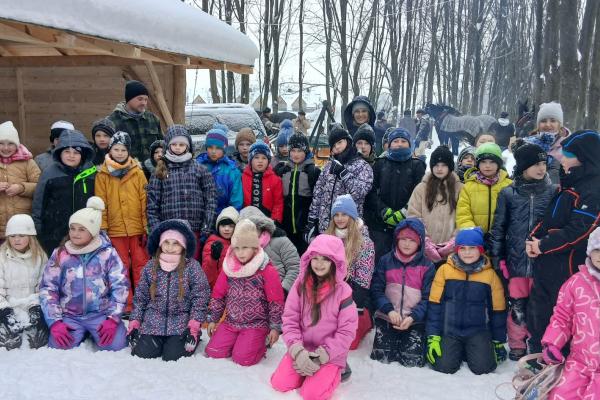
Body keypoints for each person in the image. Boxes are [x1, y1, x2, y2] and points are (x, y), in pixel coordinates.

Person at [526, 130, 600, 355]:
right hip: (546, 263)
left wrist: (543, 245)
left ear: (584, 158)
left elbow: (580, 230)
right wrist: (533, 238)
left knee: (562, 314)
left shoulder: (593, 189)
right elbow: (548, 218)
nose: (562, 159)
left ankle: (561, 358)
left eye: (567, 154)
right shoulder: (570, 181)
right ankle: (538, 354)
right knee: (539, 310)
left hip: (568, 267)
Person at [488, 141, 555, 361]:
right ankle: (517, 343)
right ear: (524, 166)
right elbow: (498, 228)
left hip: (542, 262)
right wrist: (498, 259)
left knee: (539, 305)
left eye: (544, 164)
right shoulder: (509, 193)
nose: (541, 168)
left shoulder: (553, 192)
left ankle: (536, 343)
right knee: (517, 305)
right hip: (516, 262)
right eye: (536, 164)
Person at [270, 234, 358, 400]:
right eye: (315, 258)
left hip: (329, 353)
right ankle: (305, 368)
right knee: (279, 384)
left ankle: (338, 370)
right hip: (302, 348)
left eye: (325, 259)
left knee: (311, 394)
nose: (319, 264)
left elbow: (346, 332)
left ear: (335, 262)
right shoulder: (299, 285)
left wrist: (322, 356)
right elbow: (290, 320)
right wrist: (297, 351)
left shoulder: (344, 292)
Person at [39, 197, 129, 351]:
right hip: (70, 316)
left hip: (101, 314)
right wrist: (55, 321)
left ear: (93, 232)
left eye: (82, 229)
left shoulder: (108, 254)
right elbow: (48, 288)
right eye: (72, 228)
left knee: (116, 346)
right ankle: (81, 332)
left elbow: (121, 286)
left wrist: (113, 318)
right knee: (58, 347)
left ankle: (94, 332)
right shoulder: (60, 254)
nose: (75, 233)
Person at [427, 227, 507, 375]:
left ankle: (470, 349)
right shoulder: (444, 271)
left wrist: (498, 340)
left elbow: (497, 310)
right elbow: (434, 305)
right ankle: (458, 349)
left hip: (477, 330)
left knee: (484, 368)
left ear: (481, 250)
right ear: (456, 250)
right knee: (444, 366)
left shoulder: (490, 275)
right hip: (449, 330)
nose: (467, 252)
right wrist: (433, 336)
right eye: (462, 248)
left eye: (472, 248)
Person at [128, 219, 210, 361]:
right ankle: (156, 341)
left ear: (183, 245)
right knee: (143, 353)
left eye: (175, 243)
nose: (170, 247)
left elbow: (200, 296)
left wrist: (193, 326)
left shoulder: (192, 267)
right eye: (166, 242)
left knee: (173, 356)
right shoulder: (151, 266)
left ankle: (185, 339)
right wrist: (134, 323)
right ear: (160, 243)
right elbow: (141, 297)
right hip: (153, 322)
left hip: (181, 322)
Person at [205, 219, 284, 366]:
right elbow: (218, 295)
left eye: (245, 247)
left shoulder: (266, 270)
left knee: (243, 358)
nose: (240, 253)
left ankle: (260, 343)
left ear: (254, 247)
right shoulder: (229, 268)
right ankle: (238, 341)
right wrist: (213, 319)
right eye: (237, 248)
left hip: (256, 323)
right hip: (232, 321)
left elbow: (275, 301)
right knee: (213, 351)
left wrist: (275, 327)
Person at [540, 227, 600, 399]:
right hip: (580, 363)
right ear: (590, 251)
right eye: (598, 250)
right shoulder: (576, 283)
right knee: (560, 394)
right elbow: (562, 317)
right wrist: (552, 344)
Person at [95, 131, 149, 313]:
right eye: (116, 149)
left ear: (129, 151)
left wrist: (146, 226)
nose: (119, 153)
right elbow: (101, 203)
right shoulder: (103, 174)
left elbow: (144, 200)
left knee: (141, 265)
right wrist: (103, 228)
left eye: (123, 150)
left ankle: (143, 303)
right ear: (110, 150)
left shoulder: (138, 172)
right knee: (121, 267)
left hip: (137, 229)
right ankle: (126, 304)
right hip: (115, 230)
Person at [370, 218, 435, 366]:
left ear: (419, 243)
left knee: (412, 361)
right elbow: (376, 290)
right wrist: (389, 311)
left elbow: (428, 298)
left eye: (412, 240)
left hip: (414, 320)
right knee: (381, 358)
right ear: (396, 240)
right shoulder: (385, 261)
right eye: (403, 239)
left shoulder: (427, 266)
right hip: (388, 317)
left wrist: (413, 317)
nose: (407, 244)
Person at [147, 125, 217, 260]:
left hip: (194, 229)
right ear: (168, 146)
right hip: (169, 233)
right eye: (174, 144)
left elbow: (211, 199)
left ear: (188, 146)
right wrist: (157, 229)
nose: (178, 147)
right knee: (171, 265)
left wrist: (207, 226)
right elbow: (152, 204)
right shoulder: (160, 171)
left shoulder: (200, 169)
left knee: (191, 265)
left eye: (181, 144)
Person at [364, 128, 425, 262]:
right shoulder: (380, 163)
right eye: (396, 141)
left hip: (408, 225)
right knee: (379, 261)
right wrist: (383, 210)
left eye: (403, 141)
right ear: (389, 144)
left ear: (409, 144)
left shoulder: (417, 165)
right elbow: (371, 192)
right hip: (380, 225)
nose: (399, 144)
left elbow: (420, 193)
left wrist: (404, 212)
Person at [32, 129, 97, 255]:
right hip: (54, 232)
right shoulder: (49, 173)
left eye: (76, 152)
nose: (71, 156)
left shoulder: (91, 173)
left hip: (83, 231)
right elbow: (39, 203)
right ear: (59, 152)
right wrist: (38, 229)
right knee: (57, 262)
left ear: (83, 155)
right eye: (67, 151)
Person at [325, 195, 374, 349]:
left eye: (344, 214)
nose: (340, 219)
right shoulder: (327, 237)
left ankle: (365, 319)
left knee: (348, 343)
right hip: (329, 292)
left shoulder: (364, 243)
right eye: (336, 215)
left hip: (352, 294)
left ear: (352, 216)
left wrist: (354, 307)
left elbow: (363, 279)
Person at [307, 124, 373, 236]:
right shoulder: (328, 166)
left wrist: (344, 174)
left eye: (340, 142)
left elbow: (360, 192)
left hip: (348, 228)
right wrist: (312, 220)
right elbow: (318, 193)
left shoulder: (362, 166)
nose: (337, 147)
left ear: (348, 141)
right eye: (333, 145)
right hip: (326, 227)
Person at [0, 214, 48, 350]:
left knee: (38, 342)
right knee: (9, 343)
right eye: (12, 236)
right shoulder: (2, 257)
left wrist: (35, 306)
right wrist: (4, 310)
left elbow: (44, 285)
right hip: (8, 307)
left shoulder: (40, 257)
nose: (16, 239)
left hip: (31, 306)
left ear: (30, 236)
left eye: (21, 235)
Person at [407, 146, 463, 258]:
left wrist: (454, 241)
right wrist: (425, 240)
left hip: (453, 253)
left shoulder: (460, 189)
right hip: (424, 252)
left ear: (450, 167)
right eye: (436, 165)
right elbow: (414, 216)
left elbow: (464, 217)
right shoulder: (421, 188)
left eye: (444, 165)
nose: (439, 169)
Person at [273, 133, 320, 255]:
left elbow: (318, 199)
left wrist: (313, 223)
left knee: (305, 257)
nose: (296, 154)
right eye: (293, 150)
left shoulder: (312, 171)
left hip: (304, 227)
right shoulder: (283, 171)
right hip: (286, 227)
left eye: (299, 151)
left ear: (306, 151)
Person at [239, 206, 300, 296]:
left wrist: (283, 290)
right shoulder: (241, 248)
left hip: (280, 293)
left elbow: (295, 267)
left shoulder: (281, 241)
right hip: (253, 297)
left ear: (262, 226)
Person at [456, 143, 512, 233]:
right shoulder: (468, 186)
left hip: (502, 237)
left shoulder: (509, 185)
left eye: (492, 162)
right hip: (476, 237)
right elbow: (463, 214)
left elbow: (515, 214)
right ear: (478, 164)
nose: (487, 166)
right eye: (483, 162)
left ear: (499, 164)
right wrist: (472, 233)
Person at [0, 121, 41, 240]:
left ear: (17, 144)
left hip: (22, 225)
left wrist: (21, 188)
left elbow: (40, 186)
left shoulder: (28, 162)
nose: (6, 148)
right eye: (1, 143)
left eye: (10, 143)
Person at [108, 80, 162, 162]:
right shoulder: (113, 121)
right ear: (129, 99)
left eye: (146, 100)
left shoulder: (153, 119)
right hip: (125, 169)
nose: (144, 103)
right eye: (140, 99)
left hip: (152, 168)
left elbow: (162, 145)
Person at [196, 123, 243, 213]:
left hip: (224, 216)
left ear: (224, 149)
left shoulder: (232, 171)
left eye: (218, 148)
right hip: (201, 214)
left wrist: (229, 217)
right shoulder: (198, 166)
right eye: (210, 147)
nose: (213, 151)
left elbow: (236, 201)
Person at [524, 102, 570, 184]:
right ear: (538, 124)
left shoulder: (568, 147)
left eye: (553, 121)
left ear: (560, 124)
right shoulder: (529, 144)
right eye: (543, 121)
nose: (548, 124)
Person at [242, 141, 283, 223]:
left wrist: (275, 221)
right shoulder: (242, 178)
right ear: (250, 160)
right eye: (256, 157)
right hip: (246, 220)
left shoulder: (275, 180)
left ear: (268, 161)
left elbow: (278, 203)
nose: (260, 161)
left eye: (264, 158)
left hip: (267, 220)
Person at [202, 206, 239, 289]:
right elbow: (206, 273)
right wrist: (213, 258)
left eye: (231, 226)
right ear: (218, 227)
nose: (226, 229)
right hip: (216, 287)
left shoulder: (239, 245)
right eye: (223, 225)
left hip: (234, 288)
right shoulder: (211, 243)